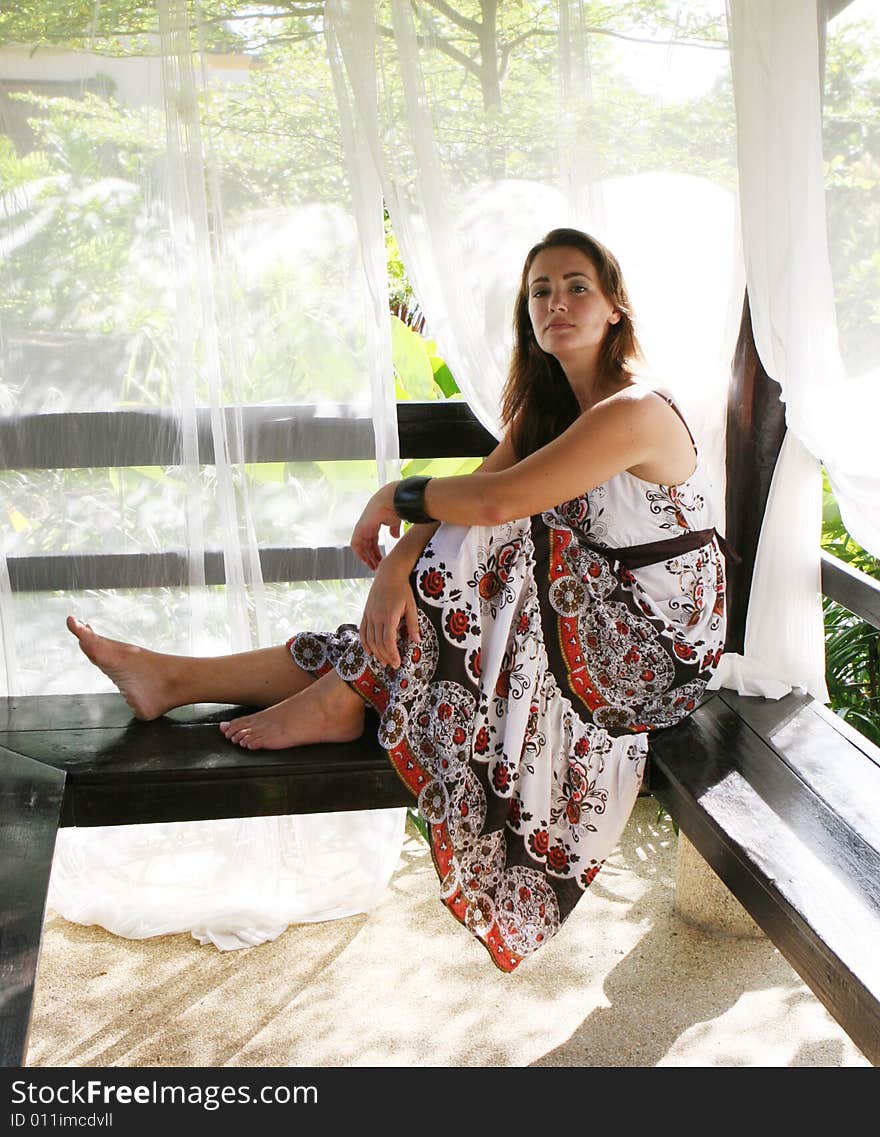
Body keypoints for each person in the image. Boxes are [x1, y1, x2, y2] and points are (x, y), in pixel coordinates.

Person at [68, 228, 727, 971]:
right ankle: (183, 679)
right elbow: (476, 495)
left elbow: (495, 501)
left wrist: (394, 496)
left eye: (578, 286)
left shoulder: (632, 407)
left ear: (615, 308)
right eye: (540, 290)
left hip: (651, 650)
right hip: (583, 608)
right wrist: (400, 560)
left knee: (498, 547)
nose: (557, 303)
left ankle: (328, 698)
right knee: (449, 583)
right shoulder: (548, 410)